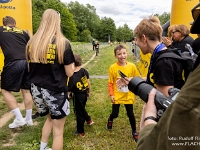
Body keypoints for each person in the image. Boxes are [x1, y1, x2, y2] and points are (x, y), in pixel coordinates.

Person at [26, 9, 75, 150]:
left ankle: (43, 147)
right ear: (57, 22)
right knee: (58, 132)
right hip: (54, 90)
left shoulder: (31, 43)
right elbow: (70, 72)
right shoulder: (62, 43)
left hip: (36, 90)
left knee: (49, 119)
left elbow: (30, 68)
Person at [133, 16, 184, 96]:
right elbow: (156, 79)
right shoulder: (165, 54)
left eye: (137, 40)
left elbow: (164, 101)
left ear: (144, 38)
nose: (136, 43)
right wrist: (132, 81)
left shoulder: (163, 63)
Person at [0, 16, 33, 128]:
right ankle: (28, 119)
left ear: (5, 24)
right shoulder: (23, 32)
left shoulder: (1, 30)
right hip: (27, 62)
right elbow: (30, 47)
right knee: (26, 90)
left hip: (13, 62)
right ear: (15, 23)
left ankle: (19, 118)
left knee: (5, 90)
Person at [106, 44, 141, 143]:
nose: (122, 56)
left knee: (130, 114)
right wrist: (112, 94)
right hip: (117, 95)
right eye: (119, 54)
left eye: (124, 53)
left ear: (127, 53)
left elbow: (137, 78)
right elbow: (110, 83)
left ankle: (134, 131)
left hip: (128, 95)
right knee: (115, 114)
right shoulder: (112, 68)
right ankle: (110, 118)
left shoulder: (132, 66)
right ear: (115, 56)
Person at [68, 54, 94, 137]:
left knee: (78, 113)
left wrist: (68, 95)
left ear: (72, 63)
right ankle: (89, 120)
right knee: (82, 108)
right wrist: (89, 91)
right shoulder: (84, 71)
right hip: (85, 94)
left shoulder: (72, 76)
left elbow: (69, 89)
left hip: (77, 96)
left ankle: (80, 131)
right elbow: (88, 82)